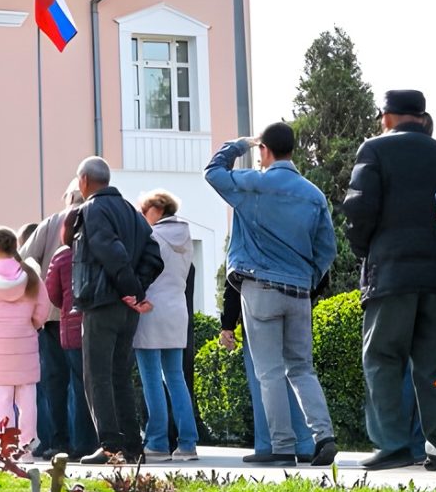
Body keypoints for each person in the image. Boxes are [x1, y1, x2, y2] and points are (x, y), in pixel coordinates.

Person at [342, 90, 436, 471]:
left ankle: (392, 444)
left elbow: (358, 209)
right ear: (422, 118)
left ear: (387, 117)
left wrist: (367, 253)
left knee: (383, 357)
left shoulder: (374, 150)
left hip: (390, 275)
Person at [205, 124, 340, 467]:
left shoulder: (253, 185)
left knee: (269, 372)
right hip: (298, 291)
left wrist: (237, 145)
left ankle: (282, 446)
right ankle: (323, 435)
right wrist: (307, 279)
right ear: (293, 149)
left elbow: (213, 172)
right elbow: (327, 249)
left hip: (260, 286)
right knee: (301, 369)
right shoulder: (313, 194)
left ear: (263, 150)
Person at [73, 156, 164, 464]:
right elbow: (154, 254)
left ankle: (110, 446)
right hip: (127, 309)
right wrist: (137, 291)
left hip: (103, 304)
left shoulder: (92, 209)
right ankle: (133, 446)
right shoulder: (131, 211)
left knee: (97, 374)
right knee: (121, 376)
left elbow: (110, 251)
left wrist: (130, 289)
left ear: (84, 181)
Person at [132, 190, 203, 462]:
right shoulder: (185, 238)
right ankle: (188, 443)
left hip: (151, 310)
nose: (141, 216)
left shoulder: (152, 236)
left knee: (151, 378)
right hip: (177, 311)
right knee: (176, 378)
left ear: (157, 209)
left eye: (144, 210)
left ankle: (158, 441)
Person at [0, 227, 51, 451]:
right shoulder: (31, 276)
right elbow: (43, 309)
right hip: (25, 341)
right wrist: (31, 324)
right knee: (27, 397)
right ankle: (28, 443)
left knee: (1, 399)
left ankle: (7, 444)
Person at [20, 180, 84, 457]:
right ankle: (86, 442)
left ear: (68, 197)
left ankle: (59, 442)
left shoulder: (49, 224)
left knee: (55, 382)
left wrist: (38, 295)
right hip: (86, 314)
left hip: (51, 316)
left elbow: (23, 259)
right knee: (84, 381)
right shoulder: (98, 218)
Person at [219, 278, 315, 461]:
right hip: (297, 299)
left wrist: (228, 324)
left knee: (264, 378)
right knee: (298, 373)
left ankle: (270, 445)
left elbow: (235, 274)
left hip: (260, 305)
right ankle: (305, 443)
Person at [44, 208, 97, 458]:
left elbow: (52, 293)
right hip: (99, 325)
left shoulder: (62, 256)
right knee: (97, 383)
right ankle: (98, 439)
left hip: (71, 328)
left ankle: (79, 443)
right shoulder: (99, 251)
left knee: (76, 386)